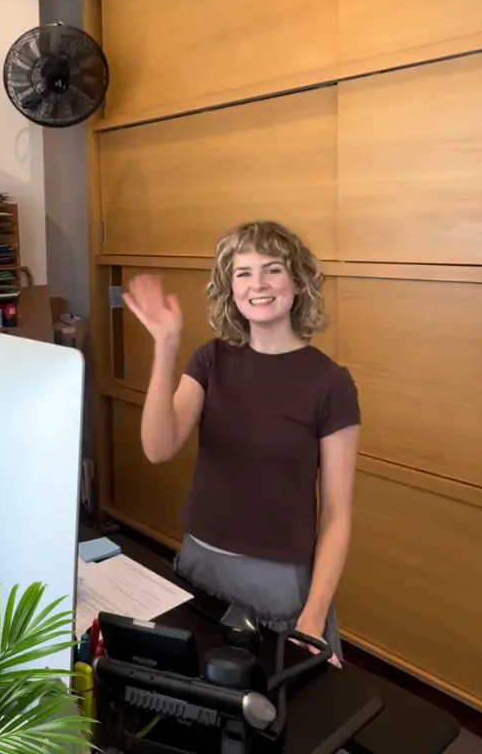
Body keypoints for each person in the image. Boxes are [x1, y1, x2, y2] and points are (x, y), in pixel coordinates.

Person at [123, 220, 360, 662]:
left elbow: (336, 516)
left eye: (272, 269)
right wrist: (165, 347)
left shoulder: (330, 383)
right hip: (200, 565)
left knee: (281, 720)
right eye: (243, 272)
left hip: (279, 584)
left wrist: (313, 616)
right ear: (229, 288)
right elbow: (158, 448)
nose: (258, 284)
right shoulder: (210, 360)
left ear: (297, 281)